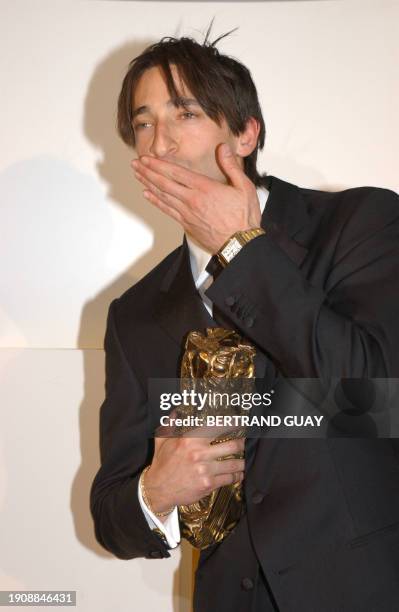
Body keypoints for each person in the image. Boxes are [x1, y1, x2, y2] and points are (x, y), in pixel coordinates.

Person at [90, 27, 399, 612]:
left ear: (245, 132)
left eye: (184, 114)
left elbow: (375, 395)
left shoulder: (362, 224)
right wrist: (156, 490)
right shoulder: (135, 313)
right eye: (143, 123)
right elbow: (111, 516)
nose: (159, 144)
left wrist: (238, 248)